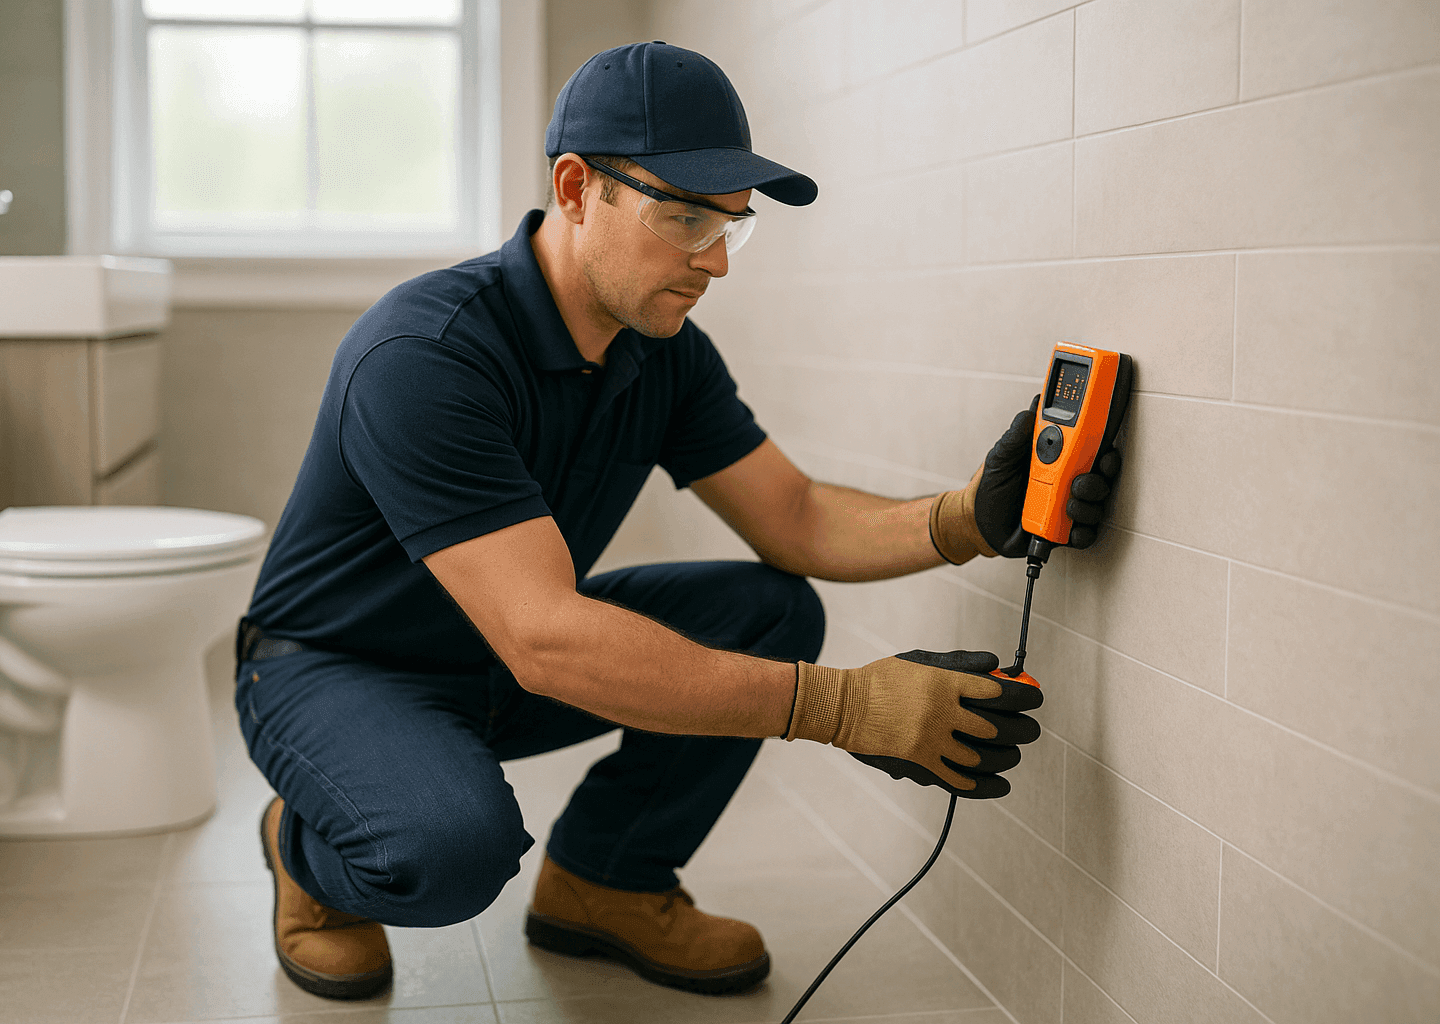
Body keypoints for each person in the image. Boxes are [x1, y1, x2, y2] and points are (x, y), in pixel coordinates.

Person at [236, 41, 1119, 1002]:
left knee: (769, 607)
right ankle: (302, 846)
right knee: (447, 850)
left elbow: (796, 517)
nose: (714, 263)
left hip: (492, 663)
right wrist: (846, 708)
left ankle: (605, 883)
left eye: (732, 228)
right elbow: (545, 639)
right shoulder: (426, 354)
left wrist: (965, 521)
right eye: (685, 219)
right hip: (336, 668)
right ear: (577, 190)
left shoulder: (662, 351)